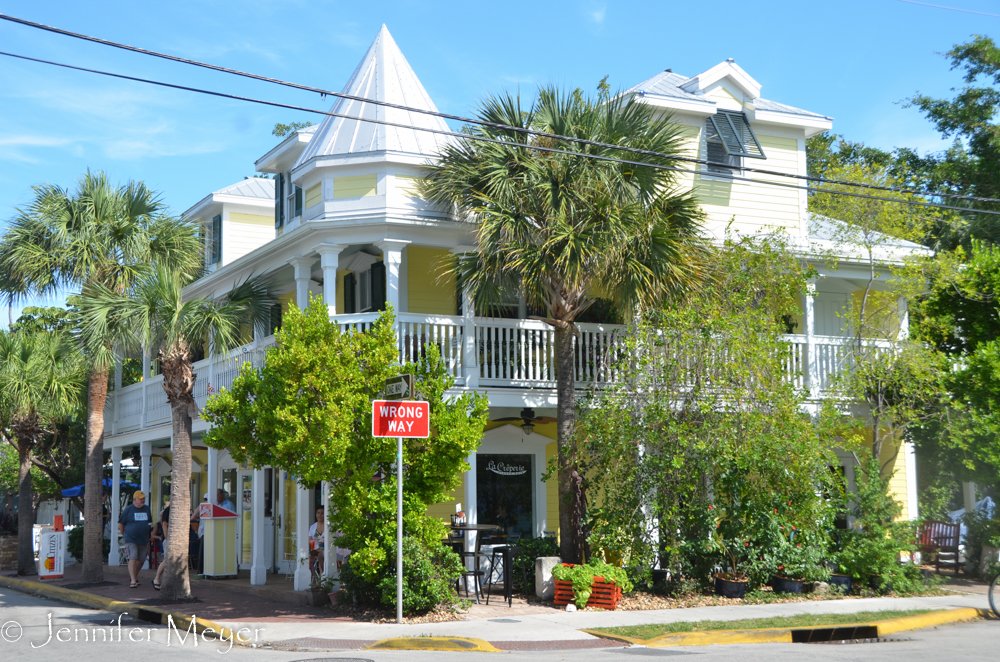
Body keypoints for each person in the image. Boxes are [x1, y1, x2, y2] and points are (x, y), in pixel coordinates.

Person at [118, 490, 153, 588]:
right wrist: (125, 535)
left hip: (143, 539)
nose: (143, 500)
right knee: (133, 557)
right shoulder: (128, 509)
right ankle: (133, 581)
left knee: (141, 560)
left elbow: (148, 522)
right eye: (141, 499)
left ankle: (134, 576)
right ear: (135, 499)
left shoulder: (146, 509)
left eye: (144, 499)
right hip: (130, 538)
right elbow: (121, 524)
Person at [152, 503, 170, 590]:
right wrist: (167, 538)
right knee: (167, 560)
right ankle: (157, 578)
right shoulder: (168, 510)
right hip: (169, 539)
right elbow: (164, 524)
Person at [308, 506, 325, 577]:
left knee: (321, 555)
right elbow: (310, 540)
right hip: (315, 548)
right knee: (314, 543)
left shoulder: (328, 526)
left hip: (326, 547)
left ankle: (321, 573)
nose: (319, 515)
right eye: (318, 513)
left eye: (322, 513)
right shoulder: (313, 527)